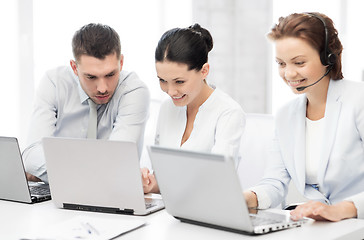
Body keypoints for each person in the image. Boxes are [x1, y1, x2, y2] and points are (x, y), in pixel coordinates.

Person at [244, 12, 364, 221]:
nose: (288, 74)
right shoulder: (286, 115)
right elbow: (275, 183)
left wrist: (342, 210)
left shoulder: (358, 100)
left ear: (328, 57)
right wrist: (246, 198)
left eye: (299, 63)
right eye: (281, 64)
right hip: (314, 223)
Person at [24, 23, 150, 183]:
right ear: (74, 68)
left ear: (121, 62)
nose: (103, 88)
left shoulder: (133, 91)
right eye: (91, 77)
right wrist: (101, 171)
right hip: (59, 198)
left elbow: (118, 161)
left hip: (112, 197)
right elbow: (31, 155)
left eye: (111, 74)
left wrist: (49, 171)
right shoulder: (54, 83)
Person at [142, 24, 246, 193]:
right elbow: (163, 180)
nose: (170, 91)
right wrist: (149, 184)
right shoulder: (167, 108)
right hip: (172, 210)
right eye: (162, 80)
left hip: (210, 212)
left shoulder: (228, 113)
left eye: (179, 82)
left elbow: (217, 182)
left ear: (204, 71)